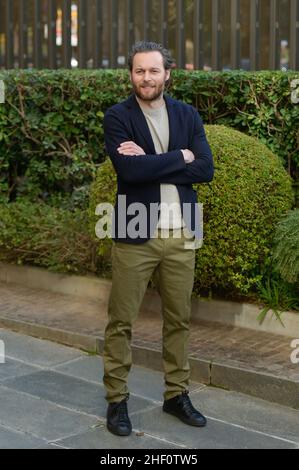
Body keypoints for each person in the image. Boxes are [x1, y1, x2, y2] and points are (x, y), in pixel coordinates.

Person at [102, 41, 214, 437]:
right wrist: (179, 157)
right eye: (138, 71)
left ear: (168, 73)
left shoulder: (187, 114)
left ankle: (176, 394)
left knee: (179, 319)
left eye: (153, 71)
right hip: (135, 230)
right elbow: (129, 173)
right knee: (121, 321)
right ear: (130, 75)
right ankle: (117, 400)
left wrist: (150, 161)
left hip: (182, 231)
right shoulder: (117, 116)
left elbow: (205, 170)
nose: (146, 78)